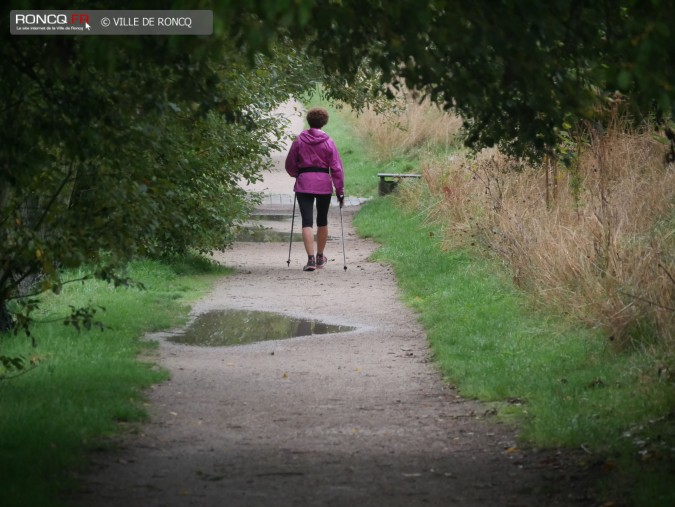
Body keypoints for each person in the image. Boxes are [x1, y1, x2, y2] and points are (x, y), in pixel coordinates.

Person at [285, 107, 345, 271]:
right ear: (324, 122)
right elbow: (336, 168)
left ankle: (310, 259)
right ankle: (320, 256)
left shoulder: (299, 141)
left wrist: (297, 174)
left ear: (309, 120)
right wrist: (340, 191)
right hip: (323, 184)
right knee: (322, 219)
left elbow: (290, 164)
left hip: (304, 183)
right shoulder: (328, 142)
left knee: (307, 220)